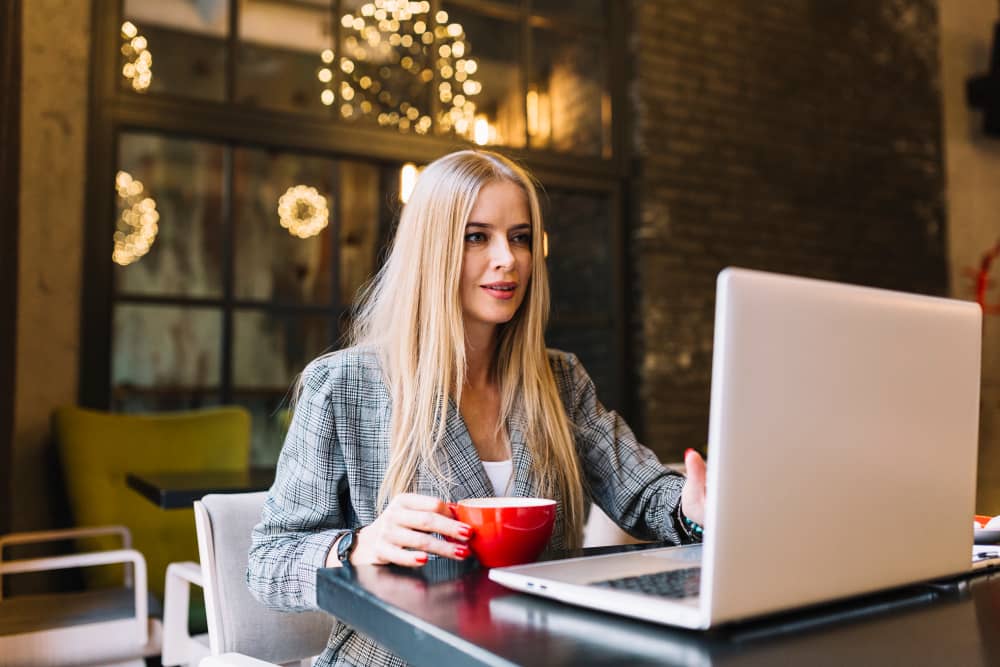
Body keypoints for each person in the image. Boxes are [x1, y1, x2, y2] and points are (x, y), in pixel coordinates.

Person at [247, 149, 708, 666]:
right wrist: (361, 543)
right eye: (476, 236)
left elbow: (646, 492)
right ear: (432, 250)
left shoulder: (559, 380)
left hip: (533, 653)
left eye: (520, 237)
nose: (507, 258)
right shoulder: (343, 385)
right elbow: (268, 564)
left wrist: (694, 508)